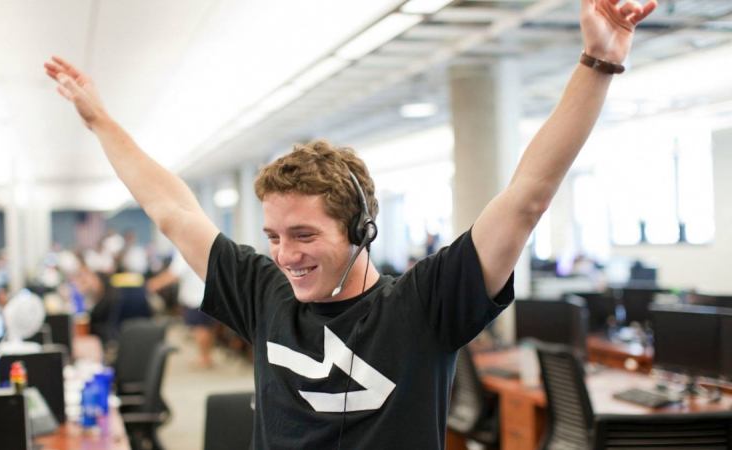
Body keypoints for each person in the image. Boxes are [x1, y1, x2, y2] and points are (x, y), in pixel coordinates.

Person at [44, 0, 656, 447]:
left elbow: (527, 198)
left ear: (361, 230)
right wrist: (100, 121)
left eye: (304, 235)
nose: (285, 255)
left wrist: (598, 63)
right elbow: (171, 209)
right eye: (274, 237)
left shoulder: (423, 306)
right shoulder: (263, 292)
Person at [146, 250, 217, 368]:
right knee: (207, 327)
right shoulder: (203, 248)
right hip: (208, 293)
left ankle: (204, 358)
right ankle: (207, 357)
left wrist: (153, 284)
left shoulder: (185, 251)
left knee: (200, 328)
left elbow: (174, 274)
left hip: (196, 297)